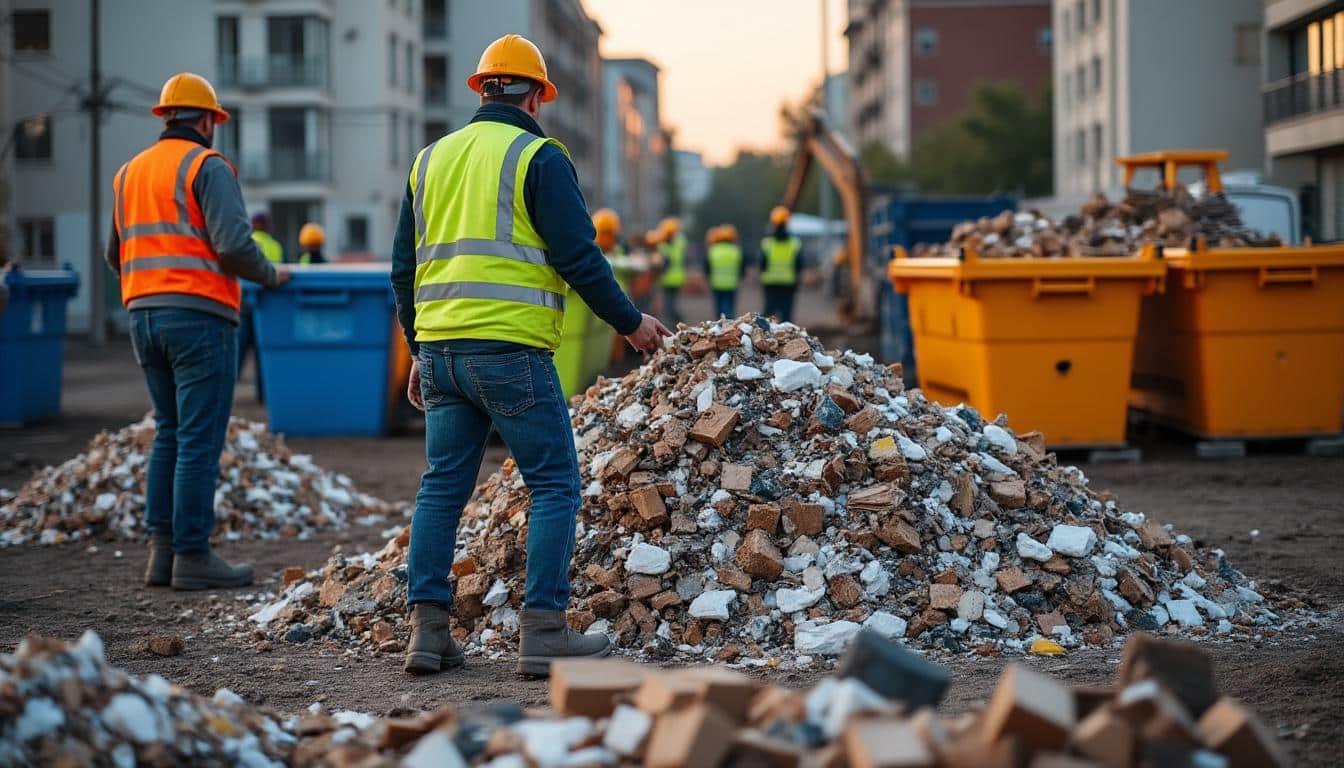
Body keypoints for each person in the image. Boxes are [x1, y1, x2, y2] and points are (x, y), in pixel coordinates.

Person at [389, 34, 671, 678]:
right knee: (554, 483)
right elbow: (578, 257)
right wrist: (630, 323)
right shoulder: (538, 157)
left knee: (442, 488)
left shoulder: (429, 160)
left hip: (442, 352)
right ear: (537, 97)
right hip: (510, 351)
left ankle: (427, 633)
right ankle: (543, 631)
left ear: (482, 89)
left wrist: (418, 349)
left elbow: (403, 269)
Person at [105, 72, 290, 590]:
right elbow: (233, 246)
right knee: (197, 439)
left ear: (165, 116)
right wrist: (271, 274)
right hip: (199, 317)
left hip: (142, 316)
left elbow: (114, 255)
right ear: (208, 120)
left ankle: (161, 553)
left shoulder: (128, 173)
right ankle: (191, 554)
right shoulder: (206, 166)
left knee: (169, 432)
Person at [239, 212, 284, 402]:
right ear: (267, 226)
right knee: (262, 353)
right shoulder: (275, 246)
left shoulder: (245, 243)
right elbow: (279, 276)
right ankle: (263, 394)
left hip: (243, 304)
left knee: (237, 351)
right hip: (267, 306)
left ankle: (226, 392)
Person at [760, 206, 803, 323]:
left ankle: (764, 333)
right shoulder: (795, 243)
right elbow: (799, 265)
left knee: (768, 315)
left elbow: (762, 265)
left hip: (770, 283)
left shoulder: (767, 243)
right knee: (786, 316)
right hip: (788, 283)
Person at [706, 224, 744, 319]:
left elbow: (707, 268)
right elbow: (742, 268)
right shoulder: (736, 251)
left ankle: (719, 324)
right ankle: (729, 322)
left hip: (717, 283)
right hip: (732, 284)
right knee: (729, 306)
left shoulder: (713, 250)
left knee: (719, 307)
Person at [656, 216, 687, 324]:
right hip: (678, 277)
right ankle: (675, 320)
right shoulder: (680, 242)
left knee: (669, 303)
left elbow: (662, 261)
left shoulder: (663, 245)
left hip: (667, 277)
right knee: (672, 302)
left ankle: (674, 321)